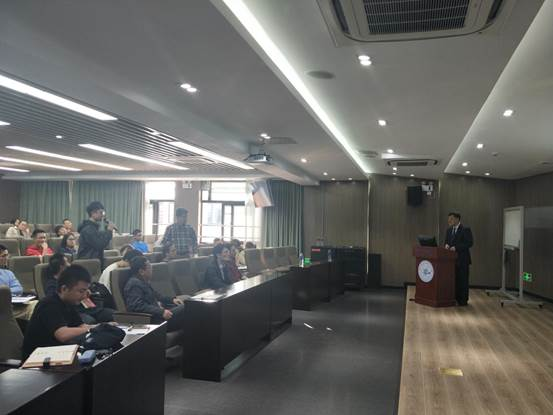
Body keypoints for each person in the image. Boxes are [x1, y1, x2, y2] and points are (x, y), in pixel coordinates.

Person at [22, 264, 96, 360]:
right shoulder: (48, 304)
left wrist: (105, 326)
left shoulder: (68, 303)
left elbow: (82, 326)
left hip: (57, 355)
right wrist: (93, 329)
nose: (84, 296)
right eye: (81, 291)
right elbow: (63, 334)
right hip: (37, 361)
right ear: (64, 289)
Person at [123, 256, 186, 331]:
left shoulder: (142, 282)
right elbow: (137, 306)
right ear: (141, 271)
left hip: (159, 315)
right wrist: (161, 312)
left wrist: (172, 300)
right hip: (155, 321)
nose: (152, 269)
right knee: (188, 307)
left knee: (188, 304)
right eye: (149, 267)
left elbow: (157, 296)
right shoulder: (134, 285)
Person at [444, 212, 474, 306]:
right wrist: (446, 245)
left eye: (451, 219)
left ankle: (463, 301)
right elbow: (447, 242)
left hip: (463, 260)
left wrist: (456, 248)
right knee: (454, 281)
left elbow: (469, 243)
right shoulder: (449, 230)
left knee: (462, 281)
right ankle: (454, 298)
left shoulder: (465, 230)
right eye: (449, 219)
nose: (449, 221)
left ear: (457, 219)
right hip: (451, 261)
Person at [77, 201, 115, 267]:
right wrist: (109, 231)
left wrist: (107, 231)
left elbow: (103, 242)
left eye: (103, 213)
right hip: (88, 262)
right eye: (101, 212)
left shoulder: (93, 228)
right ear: (93, 213)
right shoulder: (88, 229)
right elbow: (99, 245)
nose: (103, 215)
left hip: (93, 261)